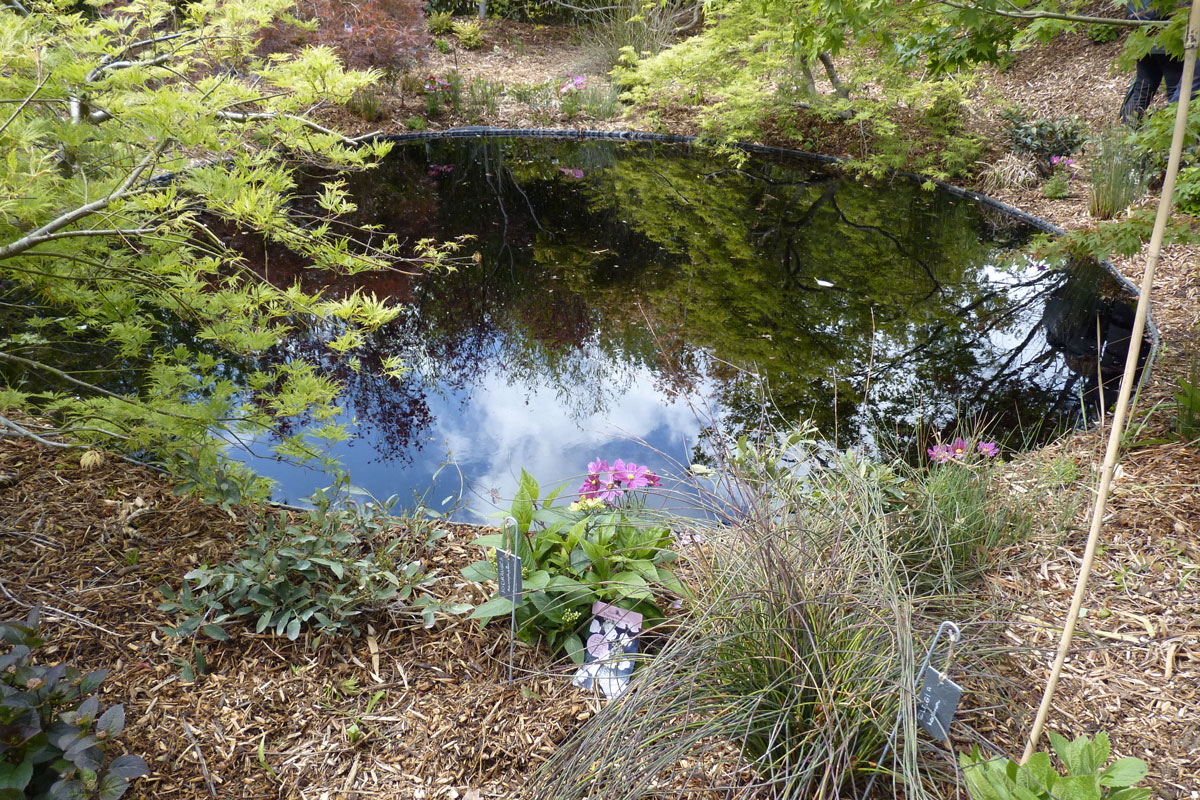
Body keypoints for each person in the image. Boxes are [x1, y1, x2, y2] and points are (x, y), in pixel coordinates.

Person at [1120, 0, 1200, 125]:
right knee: (1176, 90)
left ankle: (1125, 130)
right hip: (1169, 44)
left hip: (1143, 41)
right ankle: (1172, 132)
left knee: (1141, 91)